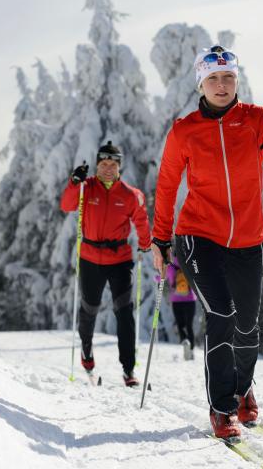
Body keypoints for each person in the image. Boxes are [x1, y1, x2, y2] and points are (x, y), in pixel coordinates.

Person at [151, 45, 263, 439]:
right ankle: (222, 408)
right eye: (213, 78)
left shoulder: (256, 118)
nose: (222, 84)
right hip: (198, 236)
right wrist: (159, 239)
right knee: (223, 315)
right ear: (201, 82)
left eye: (228, 77)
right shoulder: (184, 130)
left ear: (236, 80)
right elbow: (166, 186)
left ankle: (244, 387)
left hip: (247, 238)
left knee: (247, 326)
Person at [61, 141, 152, 387]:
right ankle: (87, 355)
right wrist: (74, 182)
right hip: (90, 258)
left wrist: (145, 243)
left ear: (119, 166)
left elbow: (141, 221)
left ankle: (129, 369)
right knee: (89, 310)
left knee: (124, 313)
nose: (108, 168)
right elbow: (67, 205)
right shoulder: (86, 188)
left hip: (120, 259)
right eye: (103, 164)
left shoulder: (131, 195)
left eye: (113, 164)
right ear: (97, 166)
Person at [156, 255, 198, 360]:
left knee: (180, 324)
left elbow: (160, 277)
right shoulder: (189, 265)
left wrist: (155, 278)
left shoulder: (170, 267)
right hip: (190, 299)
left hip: (176, 300)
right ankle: (191, 350)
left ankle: (184, 339)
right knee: (189, 325)